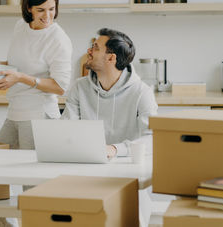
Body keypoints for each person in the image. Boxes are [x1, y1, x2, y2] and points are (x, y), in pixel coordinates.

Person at [0, 0, 72, 227]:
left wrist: (21, 78)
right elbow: (20, 63)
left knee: (32, 187)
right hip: (14, 112)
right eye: (41, 10)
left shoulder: (58, 38)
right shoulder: (20, 27)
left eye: (52, 9)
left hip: (38, 117)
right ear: (29, 9)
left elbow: (60, 86)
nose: (48, 16)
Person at [61, 28, 158, 158]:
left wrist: (114, 149)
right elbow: (66, 130)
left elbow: (152, 140)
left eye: (95, 48)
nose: (89, 51)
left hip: (126, 165)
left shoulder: (142, 92)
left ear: (111, 58)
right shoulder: (79, 87)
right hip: (86, 161)